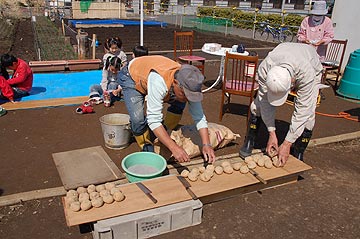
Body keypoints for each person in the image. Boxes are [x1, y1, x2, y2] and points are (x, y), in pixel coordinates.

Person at [118, 55, 216, 163]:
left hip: (154, 76)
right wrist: (173, 147)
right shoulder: (159, 81)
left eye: (190, 95)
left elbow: (199, 116)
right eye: (185, 94)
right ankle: (146, 145)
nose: (188, 98)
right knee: (137, 119)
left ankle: (164, 131)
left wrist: (206, 144)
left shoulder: (190, 82)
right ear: (175, 83)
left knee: (180, 103)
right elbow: (153, 119)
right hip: (132, 75)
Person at [239, 43, 324, 166]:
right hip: (285, 55)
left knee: (309, 115)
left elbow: (302, 110)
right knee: (257, 106)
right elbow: (265, 102)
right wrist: (271, 132)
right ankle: (250, 141)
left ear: (291, 83)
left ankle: (298, 150)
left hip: (311, 66)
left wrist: (286, 143)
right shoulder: (265, 68)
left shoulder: (306, 73)